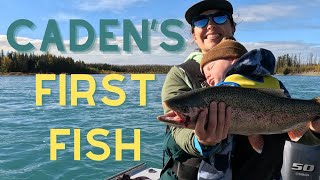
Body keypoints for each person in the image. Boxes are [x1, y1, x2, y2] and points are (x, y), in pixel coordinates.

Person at [160, 0, 320, 180]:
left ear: (232, 27)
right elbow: (176, 134)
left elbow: (294, 135)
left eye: (219, 18)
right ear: (194, 35)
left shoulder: (264, 80)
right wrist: (202, 142)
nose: (211, 25)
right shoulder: (180, 74)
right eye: (200, 21)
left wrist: (315, 130)